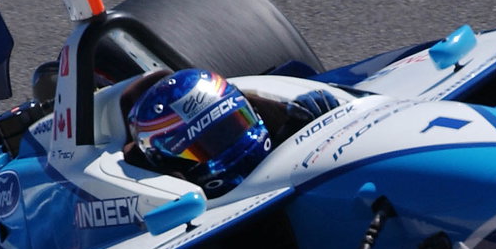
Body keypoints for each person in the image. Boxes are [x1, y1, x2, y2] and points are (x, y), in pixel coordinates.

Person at [127, 68, 341, 197]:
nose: (232, 143)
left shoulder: (289, 119)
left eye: (231, 125)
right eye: (206, 144)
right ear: (169, 162)